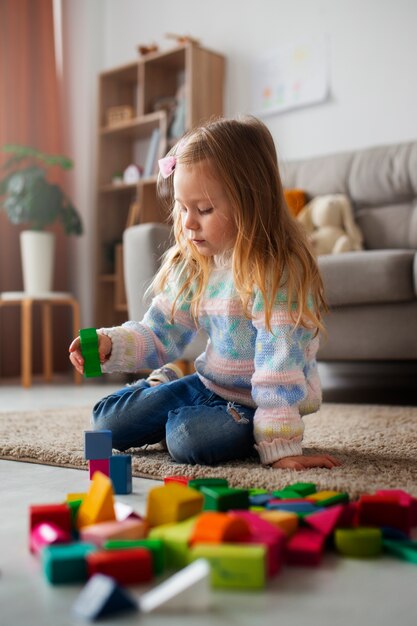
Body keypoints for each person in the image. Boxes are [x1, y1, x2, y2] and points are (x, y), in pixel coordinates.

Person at [69, 116, 341, 471]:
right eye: (182, 207)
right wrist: (110, 344)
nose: (188, 223)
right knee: (106, 422)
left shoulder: (277, 272)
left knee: (186, 438)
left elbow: (280, 368)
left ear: (251, 203)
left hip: (256, 404)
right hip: (208, 385)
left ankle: (199, 420)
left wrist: (280, 445)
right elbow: (157, 333)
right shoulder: (196, 262)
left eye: (204, 210)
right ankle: (160, 384)